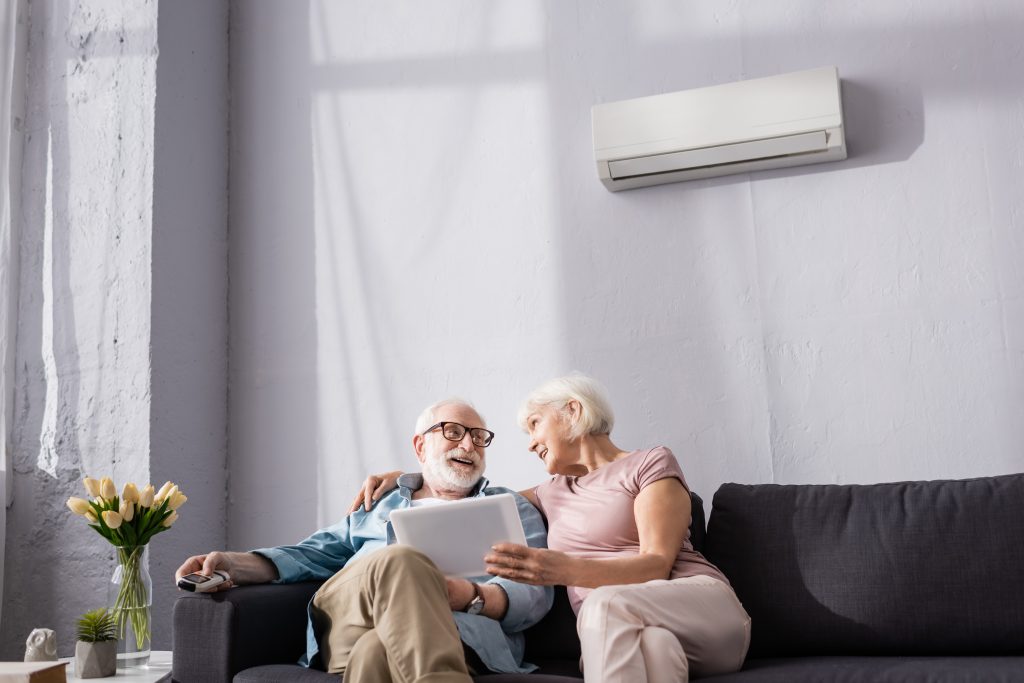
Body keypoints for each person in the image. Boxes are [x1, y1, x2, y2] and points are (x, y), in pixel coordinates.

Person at [351, 375, 750, 683]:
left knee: (604, 603)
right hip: (641, 632)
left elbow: (656, 566)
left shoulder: (648, 464)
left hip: (703, 613)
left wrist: (560, 569)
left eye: (535, 424)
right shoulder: (551, 492)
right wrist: (408, 479)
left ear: (573, 411)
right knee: (655, 650)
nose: (530, 444)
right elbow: (465, 494)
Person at [176, 399, 553, 682]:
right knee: (402, 560)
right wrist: (233, 563)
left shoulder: (511, 508)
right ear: (420, 447)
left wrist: (467, 595)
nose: (468, 445)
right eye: (453, 432)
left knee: (374, 654)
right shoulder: (380, 503)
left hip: (458, 634)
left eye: (478, 437)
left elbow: (534, 593)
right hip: (351, 617)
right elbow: (311, 554)